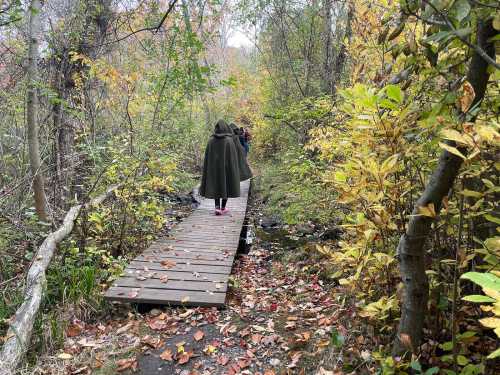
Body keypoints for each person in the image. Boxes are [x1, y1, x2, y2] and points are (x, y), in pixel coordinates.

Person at [199, 120, 241, 215]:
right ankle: (223, 208)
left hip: (214, 169)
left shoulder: (211, 141)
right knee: (226, 185)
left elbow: (208, 158)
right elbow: (232, 158)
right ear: (226, 127)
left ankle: (217, 208)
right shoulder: (229, 141)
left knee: (216, 186)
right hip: (226, 169)